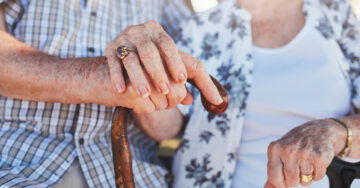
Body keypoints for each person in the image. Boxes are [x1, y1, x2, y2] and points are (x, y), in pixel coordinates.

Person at [132, 0, 360, 187]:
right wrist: (144, 79)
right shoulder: (201, 27)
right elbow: (165, 129)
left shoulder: (336, 15)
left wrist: (336, 131)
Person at [0, 0, 223, 187]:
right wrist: (98, 77)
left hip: (135, 176)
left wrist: (146, 80)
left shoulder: (172, 7)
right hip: (15, 164)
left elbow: (170, 128)